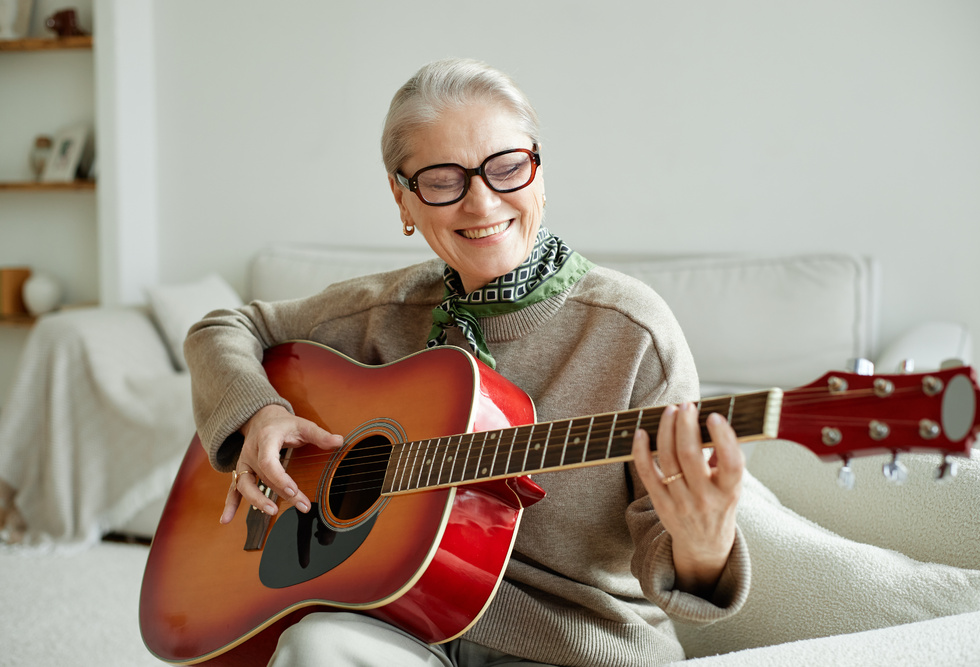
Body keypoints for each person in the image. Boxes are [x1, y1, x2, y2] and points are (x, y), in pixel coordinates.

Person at [184, 58, 749, 667]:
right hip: (398, 621)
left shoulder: (633, 331)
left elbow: (682, 573)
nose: (482, 203)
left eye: (507, 168)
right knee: (312, 648)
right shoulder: (382, 309)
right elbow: (225, 327)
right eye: (442, 180)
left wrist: (704, 542)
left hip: (573, 645)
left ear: (538, 175)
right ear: (403, 200)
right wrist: (261, 414)